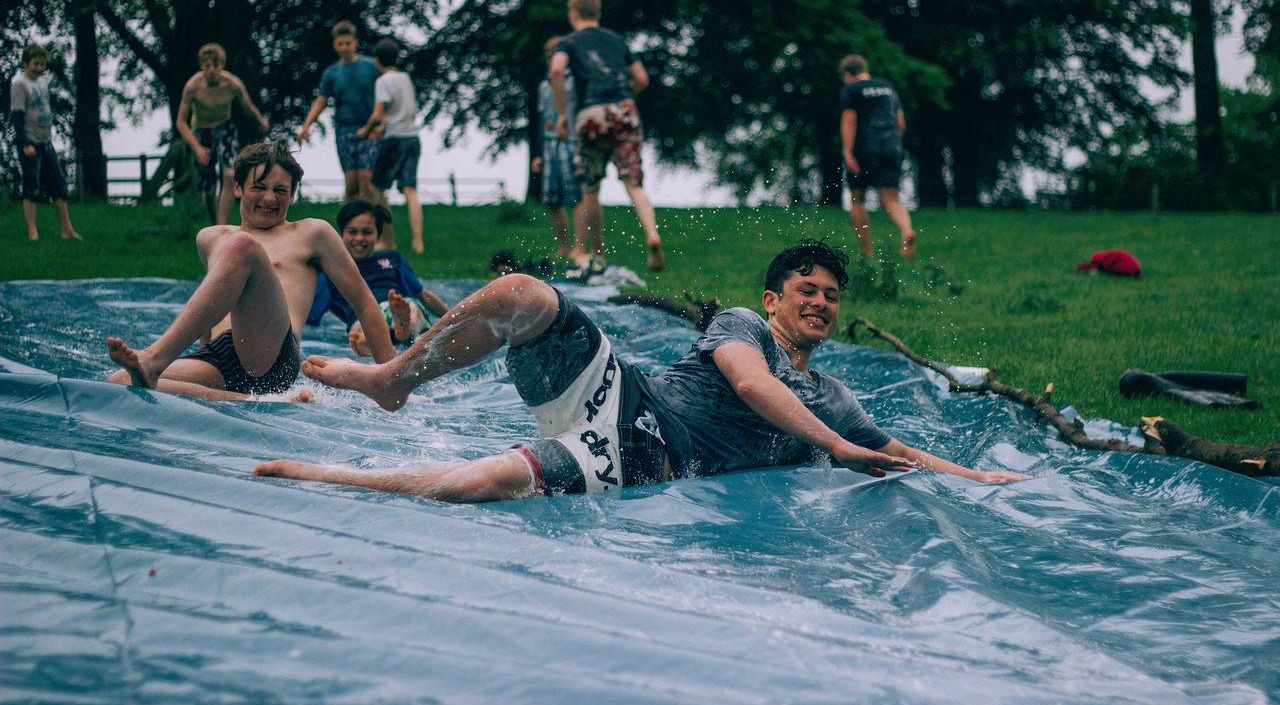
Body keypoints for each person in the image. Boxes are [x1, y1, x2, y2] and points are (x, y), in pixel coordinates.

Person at [254, 240, 1028, 501]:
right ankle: (396, 376)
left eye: (832, 297)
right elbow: (752, 384)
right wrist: (842, 446)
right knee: (525, 292)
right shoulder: (742, 324)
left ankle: (330, 476)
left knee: (479, 485)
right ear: (773, 298)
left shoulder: (834, 394)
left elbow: (896, 450)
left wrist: (978, 479)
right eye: (808, 292)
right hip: (627, 397)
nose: (822, 305)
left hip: (650, 456)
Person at [106, 142, 395, 400]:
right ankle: (250, 400)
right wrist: (201, 350)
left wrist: (389, 379)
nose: (269, 198)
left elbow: (364, 302)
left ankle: (155, 357)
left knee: (242, 245)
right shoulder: (210, 238)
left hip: (271, 356)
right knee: (119, 382)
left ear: (293, 194)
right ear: (238, 187)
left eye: (280, 190)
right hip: (219, 356)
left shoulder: (312, 233)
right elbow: (214, 302)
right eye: (259, 187)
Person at [550, 0, 665, 275]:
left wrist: (563, 114)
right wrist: (628, 98)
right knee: (633, 181)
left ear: (573, 13)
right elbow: (641, 78)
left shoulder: (568, 42)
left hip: (591, 112)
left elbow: (555, 70)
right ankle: (652, 235)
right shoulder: (616, 40)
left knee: (590, 187)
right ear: (598, 14)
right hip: (624, 108)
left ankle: (598, 254)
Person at [308, 200, 448, 357]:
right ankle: (383, 338)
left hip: (396, 306)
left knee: (411, 309)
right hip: (363, 318)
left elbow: (421, 294)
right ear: (341, 235)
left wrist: (450, 316)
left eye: (367, 232)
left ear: (379, 236)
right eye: (352, 232)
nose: (360, 238)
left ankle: (396, 332)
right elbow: (309, 308)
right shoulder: (332, 272)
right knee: (361, 326)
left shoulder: (393, 259)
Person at [175, 43, 270, 225]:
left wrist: (260, 121)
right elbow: (181, 122)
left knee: (228, 173)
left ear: (222, 65)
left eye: (215, 65)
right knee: (209, 189)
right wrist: (197, 148)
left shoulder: (232, 84)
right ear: (202, 66)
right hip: (201, 134)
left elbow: (247, 106)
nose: (211, 70)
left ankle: (222, 225)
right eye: (207, 66)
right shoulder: (193, 87)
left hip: (225, 129)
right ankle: (214, 226)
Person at [838, 54, 916, 259]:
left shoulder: (851, 90)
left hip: (865, 145)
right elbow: (901, 123)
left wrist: (847, 151)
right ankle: (907, 230)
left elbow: (849, 120)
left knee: (857, 199)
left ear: (847, 75)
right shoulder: (887, 86)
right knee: (891, 199)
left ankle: (867, 251)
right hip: (891, 144)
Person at [297, 21, 382, 205]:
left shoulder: (371, 67)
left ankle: (373, 224)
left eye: (348, 43)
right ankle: (347, 227)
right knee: (351, 184)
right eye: (340, 44)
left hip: (370, 128)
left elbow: (384, 95)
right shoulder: (332, 73)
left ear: (355, 43)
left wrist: (383, 121)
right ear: (335, 45)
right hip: (345, 129)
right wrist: (307, 125)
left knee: (367, 182)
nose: (344, 48)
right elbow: (321, 100)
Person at [10, 44, 82, 242]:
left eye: (42, 64)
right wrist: (25, 144)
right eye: (36, 64)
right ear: (26, 63)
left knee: (59, 184)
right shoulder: (20, 84)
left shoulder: (42, 83)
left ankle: (66, 229)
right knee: (32, 186)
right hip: (30, 143)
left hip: (45, 142)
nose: (40, 68)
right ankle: (32, 231)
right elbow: (17, 117)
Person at [357, 38, 422, 254]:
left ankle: (387, 239)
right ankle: (418, 242)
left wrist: (366, 131)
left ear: (377, 60)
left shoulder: (383, 81)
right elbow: (401, 110)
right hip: (412, 137)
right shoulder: (405, 78)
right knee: (410, 191)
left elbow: (378, 113)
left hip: (395, 140)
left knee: (375, 188)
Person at [533, 36, 583, 260]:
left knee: (576, 196)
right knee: (552, 200)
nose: (549, 57)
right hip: (549, 145)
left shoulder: (576, 82)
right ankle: (564, 245)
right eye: (547, 54)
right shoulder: (543, 85)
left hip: (570, 142)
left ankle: (580, 247)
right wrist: (538, 152)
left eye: (553, 53)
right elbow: (541, 118)